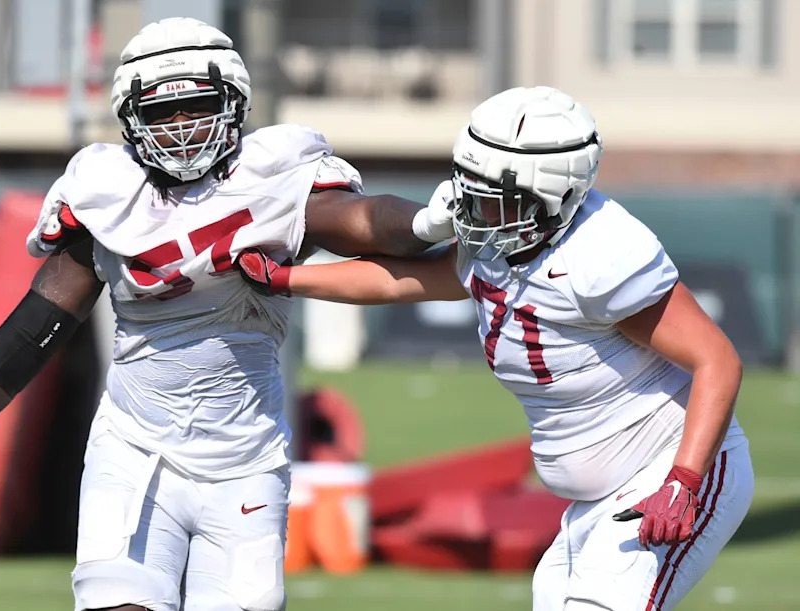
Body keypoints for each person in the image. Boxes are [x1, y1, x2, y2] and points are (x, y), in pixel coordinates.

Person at [0, 17, 456, 611]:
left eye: (196, 107)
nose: (180, 128)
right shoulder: (109, 191)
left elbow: (365, 222)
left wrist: (426, 222)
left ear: (232, 104)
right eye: (162, 114)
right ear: (132, 122)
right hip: (134, 452)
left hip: (245, 464)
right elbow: (35, 327)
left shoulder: (275, 177)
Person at [236, 86, 754, 611]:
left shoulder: (599, 256)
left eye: (491, 196)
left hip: (667, 473)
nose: (472, 209)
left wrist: (683, 481)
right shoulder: (502, 235)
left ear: (551, 196)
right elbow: (402, 280)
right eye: (469, 187)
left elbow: (717, 359)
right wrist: (289, 279)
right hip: (593, 498)